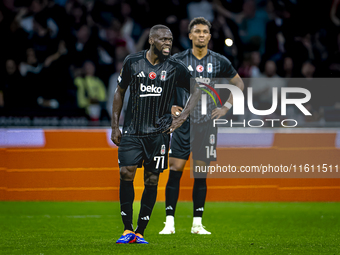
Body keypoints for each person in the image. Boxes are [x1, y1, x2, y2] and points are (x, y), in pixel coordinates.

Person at [111, 24, 201, 244]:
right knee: (126, 172)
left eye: (170, 40)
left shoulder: (175, 67)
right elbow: (119, 92)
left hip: (159, 134)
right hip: (132, 131)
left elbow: (198, 91)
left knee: (152, 179)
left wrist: (181, 118)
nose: (168, 43)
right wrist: (115, 125)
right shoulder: (133, 62)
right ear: (151, 40)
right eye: (163, 40)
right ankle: (126, 229)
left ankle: (140, 232)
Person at [159, 17, 244, 235]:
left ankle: (197, 224)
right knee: (175, 170)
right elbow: (163, 84)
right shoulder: (178, 60)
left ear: (209, 35)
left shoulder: (218, 61)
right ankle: (169, 223)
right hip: (182, 124)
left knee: (200, 174)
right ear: (190, 35)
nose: (201, 35)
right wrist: (170, 107)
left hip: (206, 125)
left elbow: (239, 84)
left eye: (205, 31)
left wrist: (225, 108)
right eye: (197, 31)